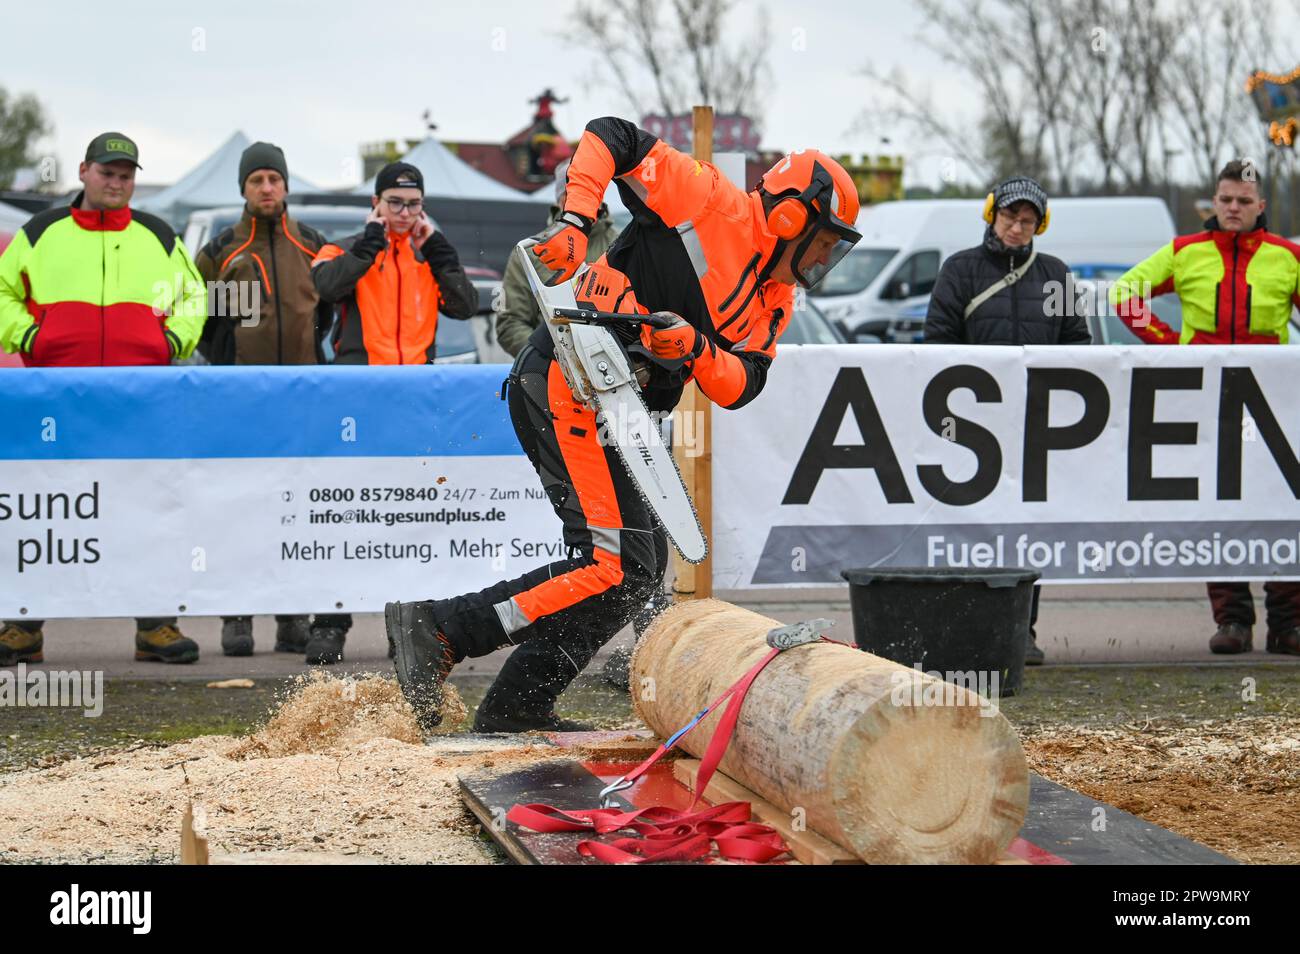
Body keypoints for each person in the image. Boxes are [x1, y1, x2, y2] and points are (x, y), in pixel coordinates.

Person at [385, 116, 862, 732]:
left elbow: (743, 383)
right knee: (609, 561)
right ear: (793, 217)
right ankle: (445, 627)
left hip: (627, 411)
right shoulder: (708, 199)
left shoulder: (776, 300)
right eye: (825, 241)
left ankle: (516, 707)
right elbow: (612, 135)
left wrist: (692, 348)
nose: (825, 258)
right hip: (568, 378)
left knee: (635, 569)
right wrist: (576, 221)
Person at [0, 132, 206, 666]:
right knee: (46, 508)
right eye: (107, 172)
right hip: (57, 397)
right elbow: (3, 290)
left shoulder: (158, 235)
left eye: (126, 174)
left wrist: (169, 342)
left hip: (137, 398)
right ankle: (22, 627)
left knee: (146, 509)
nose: (117, 182)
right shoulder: (42, 231)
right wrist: (30, 338)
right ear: (84, 171)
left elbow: (193, 296)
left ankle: (156, 626)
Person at [1110, 160, 1300, 656]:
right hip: (1205, 401)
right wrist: (1169, 345)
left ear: (1261, 206)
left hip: (1272, 406)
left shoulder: (1286, 257)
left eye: (1243, 201)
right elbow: (1123, 293)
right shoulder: (1185, 252)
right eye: (1225, 199)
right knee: (1219, 506)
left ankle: (1287, 624)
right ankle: (1233, 620)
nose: (1233, 208)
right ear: (1213, 202)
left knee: (1282, 506)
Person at [192, 141, 353, 663]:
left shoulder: (312, 244)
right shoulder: (220, 251)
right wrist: (231, 369)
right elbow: (203, 325)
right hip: (242, 401)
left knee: (299, 511)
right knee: (240, 509)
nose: (266, 188)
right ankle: (238, 613)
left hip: (303, 402)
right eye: (257, 179)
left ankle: (291, 618)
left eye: (274, 180)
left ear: (285, 186)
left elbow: (327, 313)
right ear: (243, 187)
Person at [924, 175, 1092, 665]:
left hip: (1036, 427)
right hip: (971, 428)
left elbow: (1078, 345)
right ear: (990, 214)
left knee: (1028, 531)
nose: (1017, 228)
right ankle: (969, 633)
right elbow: (937, 343)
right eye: (1009, 217)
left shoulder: (1056, 273)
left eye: (1027, 220)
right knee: (969, 530)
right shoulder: (959, 270)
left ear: (1040, 225)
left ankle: (1022, 632)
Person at [311, 162, 477, 365]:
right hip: (362, 381)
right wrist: (369, 246)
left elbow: (465, 308)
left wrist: (439, 253)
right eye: (395, 202)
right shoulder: (344, 249)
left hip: (416, 381)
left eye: (414, 204)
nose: (405, 213)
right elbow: (326, 288)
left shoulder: (428, 258)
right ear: (376, 202)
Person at [496, 160, 619, 357]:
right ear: (559, 199)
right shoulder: (530, 253)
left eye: (588, 191)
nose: (581, 201)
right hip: (552, 375)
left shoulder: (621, 246)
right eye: (572, 192)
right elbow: (510, 323)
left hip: (620, 372)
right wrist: (552, 358)